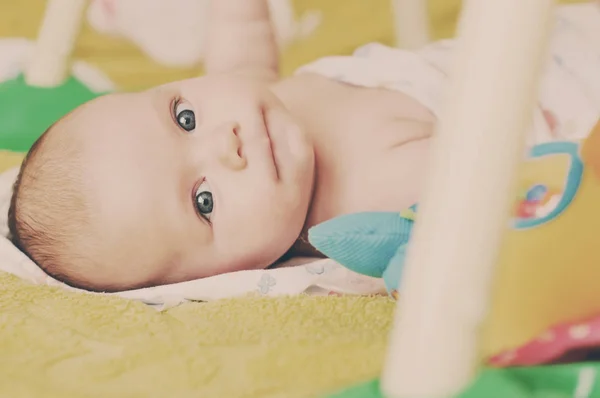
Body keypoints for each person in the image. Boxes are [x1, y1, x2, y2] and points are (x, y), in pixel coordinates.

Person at [8, 0, 600, 292]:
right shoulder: (364, 199)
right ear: (223, 275)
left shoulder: (256, 98)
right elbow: (505, 182)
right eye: (204, 202)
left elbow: (243, 44)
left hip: (552, 31)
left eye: (183, 115)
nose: (226, 144)